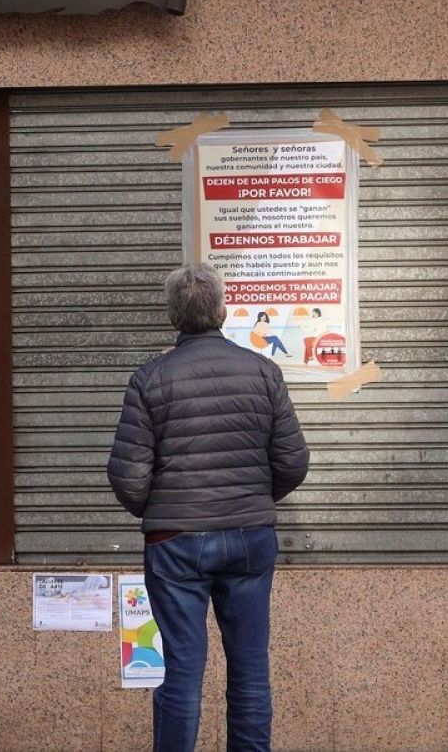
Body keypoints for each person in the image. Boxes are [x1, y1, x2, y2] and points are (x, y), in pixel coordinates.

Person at [108, 264, 309, 752]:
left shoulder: (149, 380)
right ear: (223, 310)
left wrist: (164, 511)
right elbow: (293, 462)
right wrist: (252, 500)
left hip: (176, 544)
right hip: (250, 538)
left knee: (182, 670)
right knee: (250, 668)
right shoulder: (265, 373)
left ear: (172, 316)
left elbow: (128, 476)